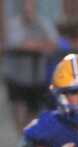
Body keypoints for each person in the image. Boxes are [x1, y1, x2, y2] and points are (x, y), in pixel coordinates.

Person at [4, 0, 57, 133]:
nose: (28, 10)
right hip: (16, 76)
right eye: (25, 7)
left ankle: (26, 134)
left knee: (33, 109)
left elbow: (53, 44)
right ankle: (19, 135)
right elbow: (13, 43)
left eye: (30, 7)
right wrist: (40, 45)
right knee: (18, 108)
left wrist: (30, 45)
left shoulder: (43, 23)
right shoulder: (14, 24)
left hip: (36, 77)